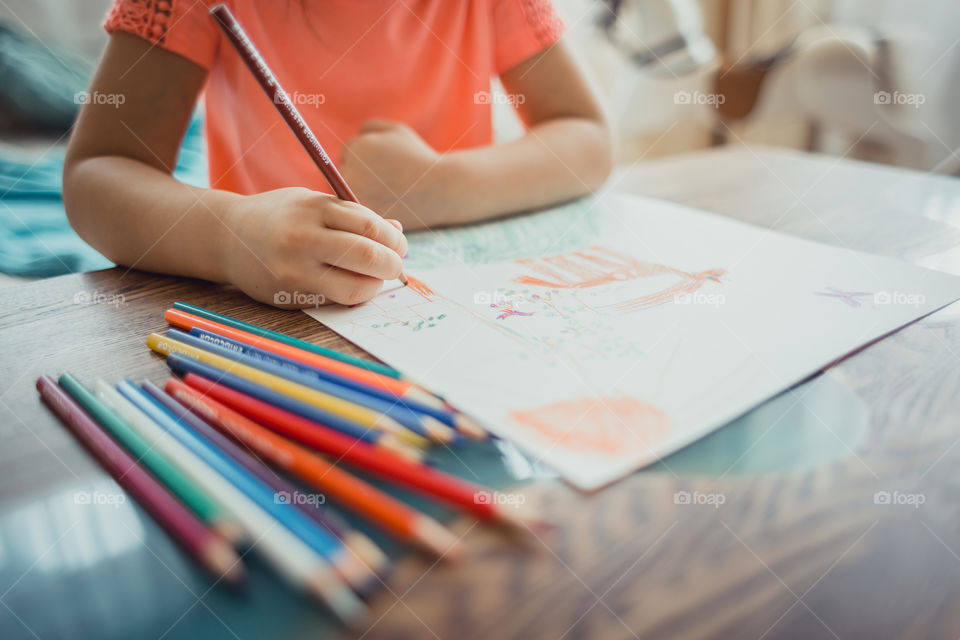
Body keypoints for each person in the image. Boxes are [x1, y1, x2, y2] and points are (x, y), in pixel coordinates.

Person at [64, 0, 612, 307]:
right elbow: (97, 175)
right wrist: (230, 236)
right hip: (270, 322)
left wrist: (444, 186)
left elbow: (586, 136)